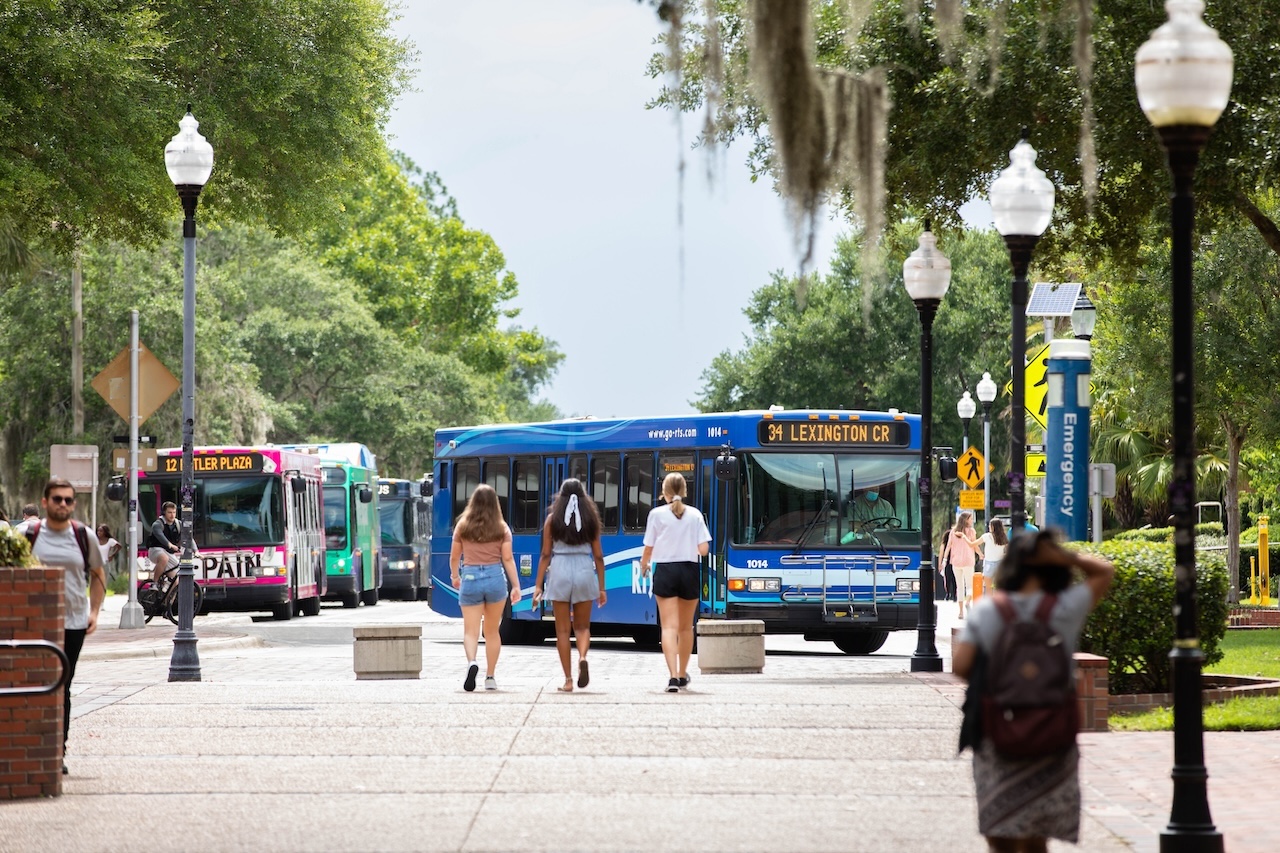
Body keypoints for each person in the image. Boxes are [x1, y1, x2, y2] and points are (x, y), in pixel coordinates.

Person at [952, 530, 1114, 852]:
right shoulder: (1064, 608)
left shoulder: (988, 611)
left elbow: (961, 666)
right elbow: (1104, 571)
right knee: (1038, 837)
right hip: (1052, 735)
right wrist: (1064, 555)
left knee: (1002, 833)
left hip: (998, 733)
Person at [24, 478, 106, 776]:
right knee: (30, 684)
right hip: (32, 621)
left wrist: (94, 611)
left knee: (62, 686)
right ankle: (29, 747)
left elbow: (98, 575)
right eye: (57, 499)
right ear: (45, 502)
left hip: (72, 622)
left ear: (74, 503)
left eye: (68, 500)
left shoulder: (84, 536)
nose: (62, 504)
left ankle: (58, 752)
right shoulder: (26, 534)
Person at [533, 479, 607, 692]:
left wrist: (538, 586)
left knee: (563, 631)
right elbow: (599, 556)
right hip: (584, 568)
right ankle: (583, 656)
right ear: (584, 497)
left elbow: (546, 554)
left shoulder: (551, 520)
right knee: (583, 627)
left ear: (561, 497)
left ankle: (568, 680)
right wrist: (601, 588)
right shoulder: (591, 519)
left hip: (560, 570)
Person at [640, 473, 711, 693]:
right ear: (685, 490)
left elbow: (649, 548)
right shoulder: (695, 515)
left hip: (666, 570)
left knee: (669, 626)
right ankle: (682, 674)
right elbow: (704, 550)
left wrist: (644, 565)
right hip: (688, 570)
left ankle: (671, 677)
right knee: (686, 627)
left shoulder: (656, 514)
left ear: (665, 491)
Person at [449, 484, 522, 692]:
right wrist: (516, 586)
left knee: (470, 631)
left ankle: (472, 662)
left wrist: (455, 576)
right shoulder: (502, 528)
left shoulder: (462, 525)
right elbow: (507, 558)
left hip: (470, 577)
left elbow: (455, 556)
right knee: (491, 631)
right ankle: (490, 676)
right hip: (495, 578)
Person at [941, 511, 982, 617]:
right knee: (970, 585)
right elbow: (974, 545)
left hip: (956, 562)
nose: (972, 521)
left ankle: (960, 612)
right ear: (966, 520)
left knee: (959, 587)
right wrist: (981, 554)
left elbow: (948, 546)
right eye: (970, 519)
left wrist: (944, 560)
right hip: (968, 561)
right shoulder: (971, 531)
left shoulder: (953, 531)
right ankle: (968, 602)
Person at [147, 501, 181, 586]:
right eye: (169, 512)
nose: (172, 515)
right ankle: (154, 583)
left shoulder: (178, 524)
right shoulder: (158, 524)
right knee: (164, 558)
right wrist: (170, 545)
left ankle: (167, 598)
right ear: (164, 513)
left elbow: (188, 537)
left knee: (176, 582)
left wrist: (196, 551)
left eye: (174, 512)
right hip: (155, 550)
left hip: (169, 552)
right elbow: (160, 536)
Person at [979, 519, 1008, 585]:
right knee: (999, 585)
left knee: (988, 586)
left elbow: (972, 544)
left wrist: (964, 537)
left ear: (993, 527)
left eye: (990, 525)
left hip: (989, 563)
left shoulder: (987, 536)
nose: (989, 526)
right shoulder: (1003, 537)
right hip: (1000, 563)